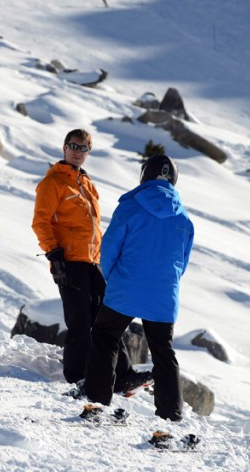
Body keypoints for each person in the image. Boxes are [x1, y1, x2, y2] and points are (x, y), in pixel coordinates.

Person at [31, 129, 147, 392]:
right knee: (80, 321)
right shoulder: (54, 182)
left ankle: (122, 374)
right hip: (69, 261)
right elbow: (41, 221)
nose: (77, 151)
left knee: (107, 320)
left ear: (88, 153)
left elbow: (93, 227)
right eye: (73, 146)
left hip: (92, 262)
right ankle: (76, 376)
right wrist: (54, 253)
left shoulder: (86, 183)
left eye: (83, 148)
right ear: (63, 147)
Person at [82, 155, 194, 422]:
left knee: (105, 337)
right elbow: (183, 261)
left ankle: (97, 401)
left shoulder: (131, 205)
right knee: (163, 352)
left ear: (144, 176)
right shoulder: (184, 218)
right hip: (164, 296)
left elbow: (108, 250)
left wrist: (113, 279)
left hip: (126, 287)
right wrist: (165, 285)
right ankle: (171, 413)